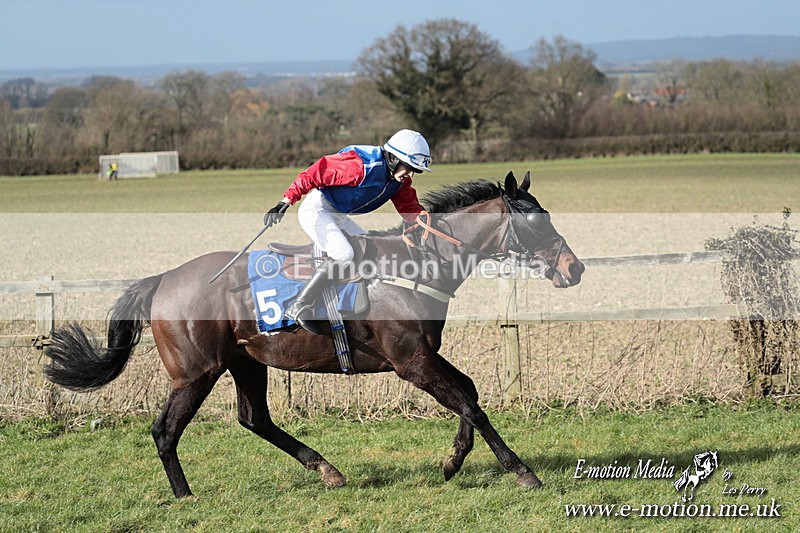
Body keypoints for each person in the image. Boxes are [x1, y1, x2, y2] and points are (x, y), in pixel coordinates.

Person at [263, 129, 432, 333]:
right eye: (409, 168)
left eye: (415, 170)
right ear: (394, 158)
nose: (410, 174)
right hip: (317, 209)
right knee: (344, 254)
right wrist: (286, 200)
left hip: (338, 214)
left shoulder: (399, 181)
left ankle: (351, 308)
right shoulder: (360, 166)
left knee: (369, 249)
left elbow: (409, 207)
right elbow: (315, 172)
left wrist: (428, 224)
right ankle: (299, 306)